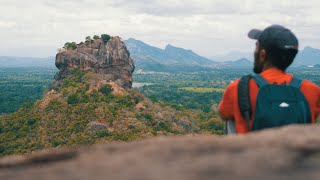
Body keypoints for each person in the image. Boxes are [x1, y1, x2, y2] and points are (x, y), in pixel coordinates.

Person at [219, 25, 320, 134]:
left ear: (262, 55)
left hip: (250, 149)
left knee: (232, 118)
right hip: (296, 149)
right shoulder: (313, 91)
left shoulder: (238, 88)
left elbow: (223, 113)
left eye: (256, 46)